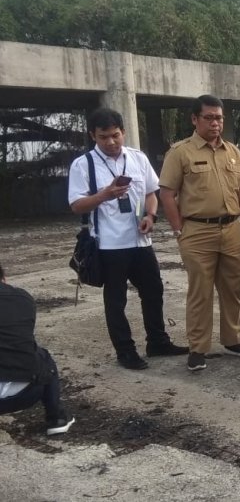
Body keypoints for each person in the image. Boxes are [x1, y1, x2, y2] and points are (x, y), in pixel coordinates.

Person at [67, 107, 188, 370]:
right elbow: (76, 205)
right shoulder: (83, 164)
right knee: (116, 299)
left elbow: (150, 192)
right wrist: (105, 195)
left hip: (140, 240)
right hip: (108, 244)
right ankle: (125, 351)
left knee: (153, 291)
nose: (110, 142)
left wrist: (151, 216)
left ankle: (157, 341)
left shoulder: (137, 158)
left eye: (115, 135)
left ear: (123, 132)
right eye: (103, 137)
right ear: (93, 136)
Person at [159, 95, 240, 372]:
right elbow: (167, 194)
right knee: (200, 292)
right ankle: (198, 348)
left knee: (232, 288)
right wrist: (178, 228)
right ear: (195, 119)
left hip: (230, 229)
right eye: (209, 117)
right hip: (197, 231)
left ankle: (232, 339)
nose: (215, 123)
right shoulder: (181, 152)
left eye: (219, 118)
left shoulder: (233, 152)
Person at [0, 264, 74, 435]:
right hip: (24, 394)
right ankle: (56, 418)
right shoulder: (22, 297)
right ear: (4, 278)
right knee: (43, 356)